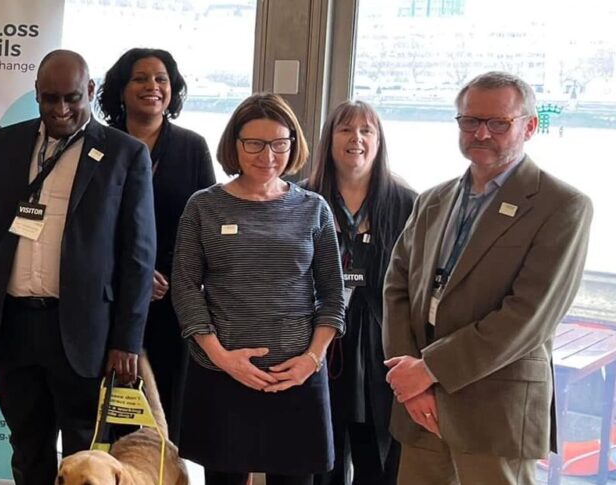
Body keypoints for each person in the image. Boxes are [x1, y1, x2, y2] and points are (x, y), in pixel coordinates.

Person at [0, 50, 156, 485]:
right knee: (27, 447)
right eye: (49, 99)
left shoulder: (124, 154)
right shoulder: (8, 143)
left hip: (83, 332)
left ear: (90, 92)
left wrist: (126, 339)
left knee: (85, 452)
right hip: (13, 324)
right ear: (36, 95)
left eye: (71, 99)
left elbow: (138, 258)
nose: (60, 110)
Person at [383, 71, 593, 485]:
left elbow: (528, 316)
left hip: (496, 409)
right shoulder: (433, 200)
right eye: (469, 121)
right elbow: (397, 286)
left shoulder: (562, 206)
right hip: (420, 406)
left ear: (529, 127)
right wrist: (409, 380)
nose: (481, 133)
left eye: (498, 123)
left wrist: (428, 369)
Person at [171, 93, 345, 485]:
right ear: (234, 144)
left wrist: (312, 360)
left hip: (296, 376)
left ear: (292, 145)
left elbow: (332, 295)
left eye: (279, 144)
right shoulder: (204, 206)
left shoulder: (313, 208)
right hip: (222, 374)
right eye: (255, 143)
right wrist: (222, 358)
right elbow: (185, 287)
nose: (267, 155)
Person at [97, 47, 216, 443]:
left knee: (168, 418)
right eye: (141, 78)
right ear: (121, 88)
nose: (152, 86)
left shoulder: (192, 147)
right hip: (110, 299)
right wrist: (135, 276)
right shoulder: (100, 145)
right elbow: (87, 227)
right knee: (114, 415)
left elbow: (206, 227)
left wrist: (171, 277)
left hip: (172, 303)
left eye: (161, 79)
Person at [304, 101, 415, 485]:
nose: (357, 139)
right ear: (328, 140)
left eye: (367, 131)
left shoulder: (407, 204)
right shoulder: (302, 199)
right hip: (317, 343)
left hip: (381, 348)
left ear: (379, 141)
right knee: (322, 456)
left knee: (377, 459)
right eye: (346, 130)